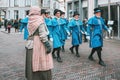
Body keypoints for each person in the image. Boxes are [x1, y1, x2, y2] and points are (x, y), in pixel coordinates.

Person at [25, 6, 53, 80]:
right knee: (41, 59)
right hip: (39, 42)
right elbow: (42, 35)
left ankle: (32, 77)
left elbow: (29, 32)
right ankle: (42, 77)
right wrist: (48, 45)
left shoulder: (30, 20)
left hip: (31, 42)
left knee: (32, 60)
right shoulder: (40, 20)